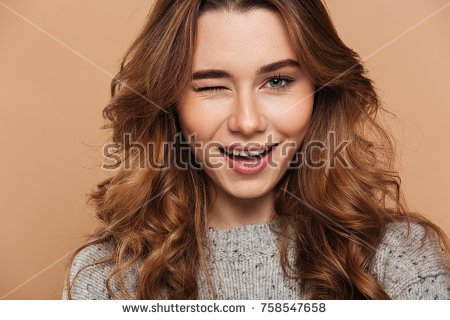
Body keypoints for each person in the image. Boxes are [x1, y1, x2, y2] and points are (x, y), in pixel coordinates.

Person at [62, 0, 449, 300]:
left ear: (320, 91)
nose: (247, 123)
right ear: (169, 101)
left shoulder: (402, 262)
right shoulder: (106, 278)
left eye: (277, 81)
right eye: (211, 86)